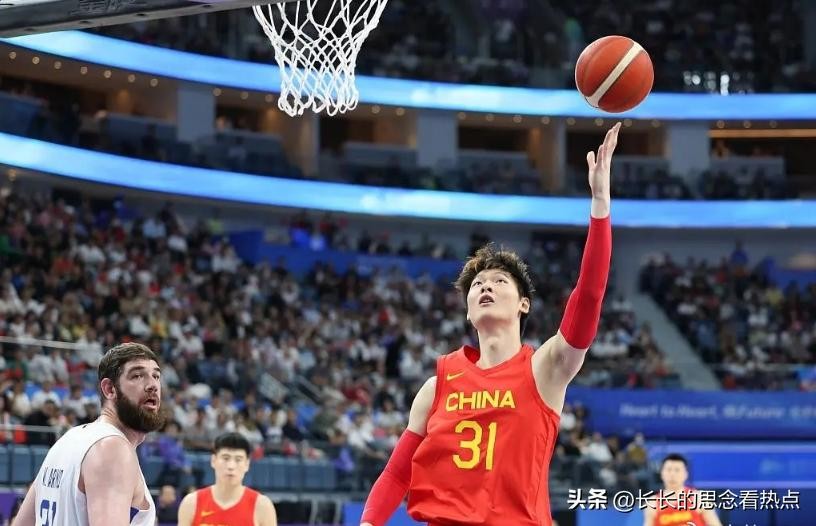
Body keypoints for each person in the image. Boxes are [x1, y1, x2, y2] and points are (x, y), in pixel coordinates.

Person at [360, 123, 621, 526]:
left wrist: (600, 206)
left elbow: (589, 295)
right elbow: (397, 474)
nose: (485, 286)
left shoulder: (545, 369)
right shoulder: (437, 386)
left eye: (499, 281)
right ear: (467, 311)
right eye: (477, 284)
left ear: (523, 304)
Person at [12, 342, 166, 526]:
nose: (152, 385)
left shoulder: (69, 439)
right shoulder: (112, 449)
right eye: (137, 376)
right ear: (109, 389)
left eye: (156, 376)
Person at [177, 432, 277, 526]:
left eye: (238, 459)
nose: (231, 466)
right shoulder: (191, 503)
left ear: (247, 464)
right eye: (225, 458)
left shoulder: (262, 506)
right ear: (213, 460)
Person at [643, 454, 723, 526]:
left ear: (685, 474)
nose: (672, 474)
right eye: (668, 470)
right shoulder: (652, 503)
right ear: (662, 473)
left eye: (677, 470)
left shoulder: (699, 498)